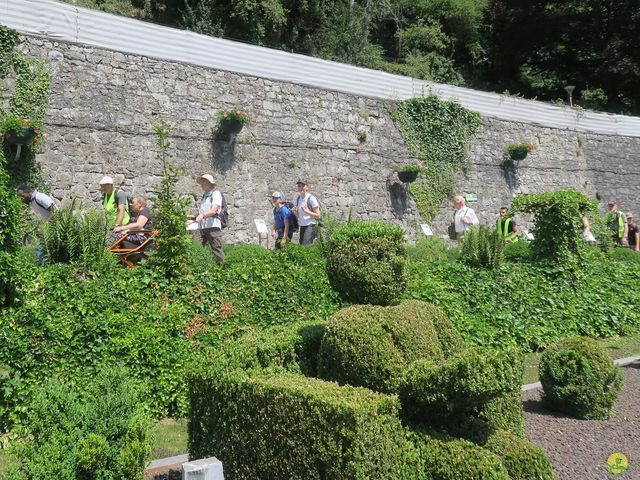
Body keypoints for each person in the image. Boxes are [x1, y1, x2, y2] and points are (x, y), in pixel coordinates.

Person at [195, 174, 224, 264]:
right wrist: (196, 215)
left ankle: (224, 269)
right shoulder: (205, 196)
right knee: (196, 247)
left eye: (204, 181)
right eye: (201, 182)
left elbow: (214, 210)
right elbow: (204, 211)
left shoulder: (216, 193)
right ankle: (198, 268)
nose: (201, 184)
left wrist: (202, 216)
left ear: (210, 183)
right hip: (203, 226)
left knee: (216, 249)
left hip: (213, 226)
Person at [294, 178, 321, 245]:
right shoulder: (298, 199)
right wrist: (295, 212)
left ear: (307, 187)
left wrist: (306, 211)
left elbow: (318, 215)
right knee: (302, 247)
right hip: (302, 225)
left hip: (310, 225)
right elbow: (299, 216)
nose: (301, 188)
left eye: (303, 186)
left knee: (305, 247)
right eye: (299, 186)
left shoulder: (311, 198)